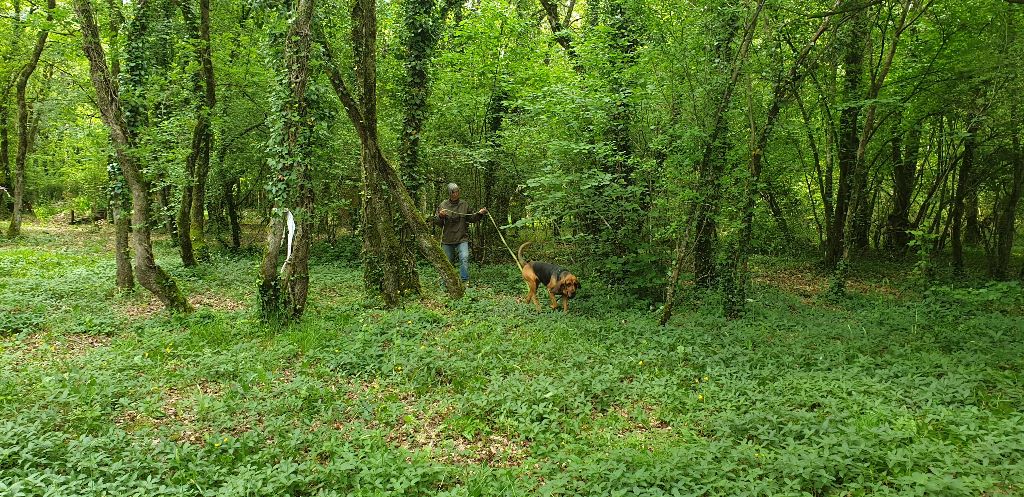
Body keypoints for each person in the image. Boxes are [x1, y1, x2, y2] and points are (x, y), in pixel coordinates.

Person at [432, 183, 487, 284]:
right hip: (447, 238)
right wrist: (440, 216)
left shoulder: (464, 204)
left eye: (457, 191)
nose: (456, 194)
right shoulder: (443, 205)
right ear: (449, 193)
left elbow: (471, 218)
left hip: (462, 237)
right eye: (453, 192)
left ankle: (464, 280)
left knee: (464, 257)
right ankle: (447, 282)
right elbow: (437, 222)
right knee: (448, 262)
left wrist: (479, 214)